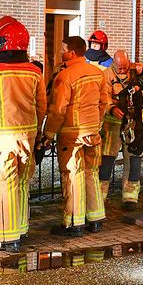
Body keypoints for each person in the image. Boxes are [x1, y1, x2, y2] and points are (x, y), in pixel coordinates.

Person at [0, 16, 46, 254]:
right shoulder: (35, 71)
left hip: (2, 137)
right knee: (23, 183)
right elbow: (41, 106)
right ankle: (21, 228)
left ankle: (7, 238)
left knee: (5, 184)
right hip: (28, 134)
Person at [43, 35, 111, 236]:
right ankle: (96, 219)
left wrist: (48, 134)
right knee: (91, 173)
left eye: (63, 48)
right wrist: (96, 124)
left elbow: (58, 110)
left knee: (73, 175)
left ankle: (74, 223)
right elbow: (104, 103)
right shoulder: (97, 73)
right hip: (92, 132)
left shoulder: (65, 76)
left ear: (72, 53)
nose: (61, 52)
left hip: (71, 135)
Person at [99, 50, 143, 210]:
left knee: (133, 158)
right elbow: (103, 98)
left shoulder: (136, 70)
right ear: (114, 63)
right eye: (119, 68)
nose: (122, 71)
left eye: (124, 67)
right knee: (106, 159)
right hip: (113, 124)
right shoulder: (106, 75)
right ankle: (100, 195)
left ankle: (130, 197)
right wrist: (111, 109)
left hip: (134, 123)